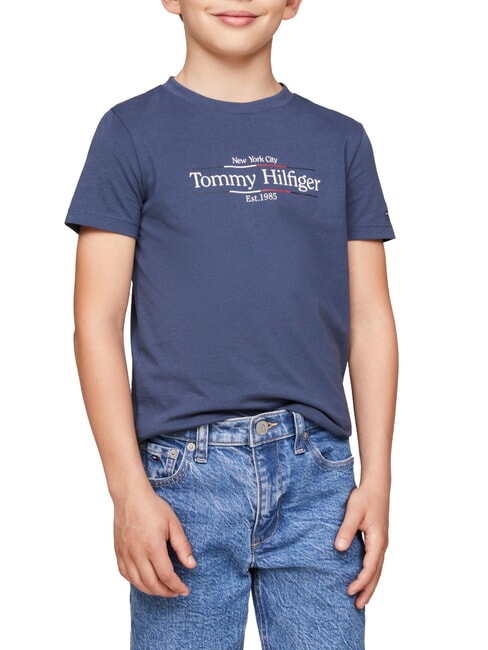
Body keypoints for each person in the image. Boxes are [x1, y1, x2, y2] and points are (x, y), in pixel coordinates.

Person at [65, 1, 398, 648]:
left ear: (293, 3)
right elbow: (95, 322)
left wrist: (378, 480)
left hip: (318, 479)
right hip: (182, 483)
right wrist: (128, 492)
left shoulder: (341, 141)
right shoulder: (129, 132)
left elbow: (372, 318)